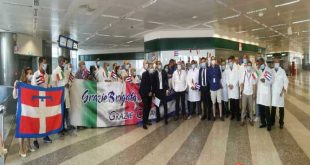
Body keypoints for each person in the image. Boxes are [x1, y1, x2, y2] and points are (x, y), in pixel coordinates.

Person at [13, 67, 35, 157]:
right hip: (21, 110)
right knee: (22, 130)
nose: (30, 75)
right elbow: (14, 96)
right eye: (28, 73)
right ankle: (21, 149)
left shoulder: (32, 84)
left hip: (30, 110)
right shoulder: (19, 83)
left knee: (29, 128)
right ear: (25, 74)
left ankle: (29, 146)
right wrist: (15, 87)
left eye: (31, 73)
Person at [31, 57, 53, 148]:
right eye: (44, 63)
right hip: (37, 100)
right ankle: (35, 139)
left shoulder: (47, 75)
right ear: (40, 64)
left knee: (44, 119)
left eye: (46, 63)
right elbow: (33, 88)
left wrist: (50, 86)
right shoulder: (35, 75)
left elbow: (48, 86)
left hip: (45, 100)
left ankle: (45, 136)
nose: (45, 65)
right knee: (36, 120)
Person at [51, 56, 72, 136]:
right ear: (60, 61)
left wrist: (68, 84)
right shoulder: (56, 71)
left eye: (65, 61)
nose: (64, 63)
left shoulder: (65, 71)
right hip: (60, 94)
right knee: (61, 112)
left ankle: (64, 127)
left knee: (66, 111)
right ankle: (60, 129)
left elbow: (68, 80)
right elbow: (54, 83)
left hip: (66, 93)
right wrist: (62, 86)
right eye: (63, 61)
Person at [271, 57, 288, 129]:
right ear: (273, 63)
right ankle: (272, 121)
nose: (276, 63)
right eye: (275, 62)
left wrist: (283, 90)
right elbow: (268, 82)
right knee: (273, 108)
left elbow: (286, 81)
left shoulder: (282, 71)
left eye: (277, 62)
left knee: (281, 109)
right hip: (273, 93)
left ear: (279, 63)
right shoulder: (271, 71)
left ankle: (281, 123)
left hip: (280, 93)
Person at [256, 57, 273, 131]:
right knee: (261, 110)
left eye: (260, 63)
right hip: (260, 93)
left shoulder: (268, 70)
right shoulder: (258, 70)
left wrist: (265, 81)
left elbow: (271, 81)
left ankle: (269, 124)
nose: (259, 64)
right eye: (258, 63)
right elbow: (255, 79)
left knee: (267, 110)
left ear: (263, 62)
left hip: (265, 94)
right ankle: (263, 123)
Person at [240, 61, 256, 126]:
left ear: (251, 66)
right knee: (243, 107)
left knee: (251, 108)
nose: (249, 66)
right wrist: (242, 90)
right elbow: (241, 82)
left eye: (250, 65)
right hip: (244, 93)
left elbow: (254, 84)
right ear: (246, 66)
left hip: (251, 93)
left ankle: (251, 119)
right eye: (248, 65)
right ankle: (242, 120)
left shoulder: (254, 74)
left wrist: (254, 93)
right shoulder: (243, 73)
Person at [139, 62, 154, 129]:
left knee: (149, 107)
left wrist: (152, 92)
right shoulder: (144, 74)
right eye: (150, 67)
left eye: (152, 67)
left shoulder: (153, 74)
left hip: (150, 93)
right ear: (148, 68)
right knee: (145, 108)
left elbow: (154, 85)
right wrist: (148, 92)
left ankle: (147, 120)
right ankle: (144, 123)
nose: (151, 68)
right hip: (144, 93)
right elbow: (143, 85)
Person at [225, 56, 240, 121]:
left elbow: (237, 78)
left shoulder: (236, 67)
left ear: (233, 61)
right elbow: (226, 78)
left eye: (231, 61)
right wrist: (229, 85)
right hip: (230, 88)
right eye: (229, 61)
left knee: (236, 103)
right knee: (231, 102)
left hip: (235, 87)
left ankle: (237, 116)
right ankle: (232, 115)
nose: (230, 62)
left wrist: (233, 85)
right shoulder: (227, 68)